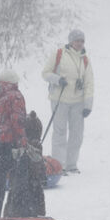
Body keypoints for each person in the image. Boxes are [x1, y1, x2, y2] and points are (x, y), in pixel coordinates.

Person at [42, 29, 94, 175]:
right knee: (60, 133)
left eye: (82, 41)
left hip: (78, 102)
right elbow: (45, 73)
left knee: (77, 134)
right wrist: (58, 79)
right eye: (77, 40)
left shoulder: (85, 59)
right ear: (71, 41)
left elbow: (89, 83)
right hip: (60, 99)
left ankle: (71, 164)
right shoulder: (59, 54)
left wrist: (88, 105)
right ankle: (59, 166)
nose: (79, 43)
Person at [0, 69, 27, 218]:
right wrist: (22, 142)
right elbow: (18, 121)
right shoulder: (15, 96)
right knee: (18, 183)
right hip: (9, 144)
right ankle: (16, 217)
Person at [4, 111, 47, 217]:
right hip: (34, 195)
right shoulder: (36, 150)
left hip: (17, 195)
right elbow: (42, 176)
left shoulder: (17, 150)